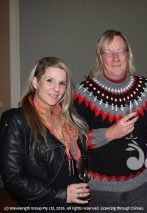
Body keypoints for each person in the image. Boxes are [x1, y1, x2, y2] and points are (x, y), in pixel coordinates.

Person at [73, 30, 147, 211]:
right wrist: (110, 133)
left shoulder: (145, 87)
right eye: (108, 52)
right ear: (101, 57)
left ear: (128, 55)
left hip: (139, 187)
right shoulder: (84, 91)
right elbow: (74, 140)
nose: (115, 58)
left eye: (120, 51)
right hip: (101, 191)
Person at [0, 57, 90, 209]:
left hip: (73, 203)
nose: (57, 89)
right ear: (35, 82)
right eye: (50, 80)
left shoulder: (66, 117)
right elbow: (13, 178)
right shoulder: (16, 119)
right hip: (42, 204)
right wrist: (61, 194)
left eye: (62, 83)